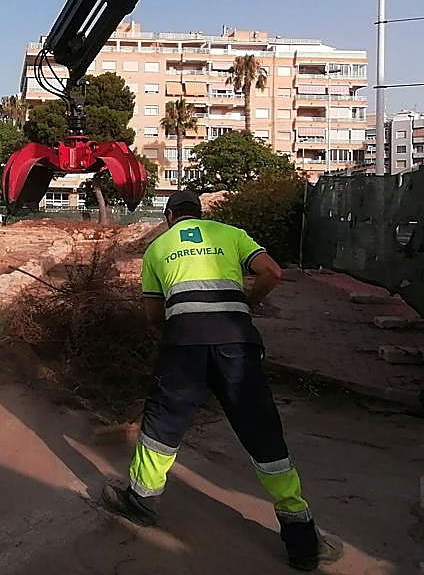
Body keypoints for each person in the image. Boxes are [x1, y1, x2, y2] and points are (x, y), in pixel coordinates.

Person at [101, 190, 343, 571]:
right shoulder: (231, 234)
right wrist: (248, 303)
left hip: (184, 347)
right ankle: (302, 538)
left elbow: (152, 313)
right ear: (199, 214)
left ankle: (142, 502)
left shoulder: (158, 247)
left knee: (163, 426)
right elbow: (273, 272)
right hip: (236, 343)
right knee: (263, 433)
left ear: (168, 217)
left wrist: (177, 333)